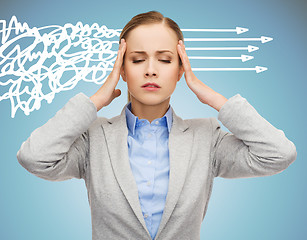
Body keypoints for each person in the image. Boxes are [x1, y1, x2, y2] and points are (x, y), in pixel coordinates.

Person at [17, 10, 297, 240]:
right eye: (137, 60)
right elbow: (35, 157)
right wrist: (94, 102)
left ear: (180, 70)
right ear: (122, 70)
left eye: (165, 60)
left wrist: (214, 98)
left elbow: (279, 154)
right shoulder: (95, 138)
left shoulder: (206, 137)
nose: (151, 69)